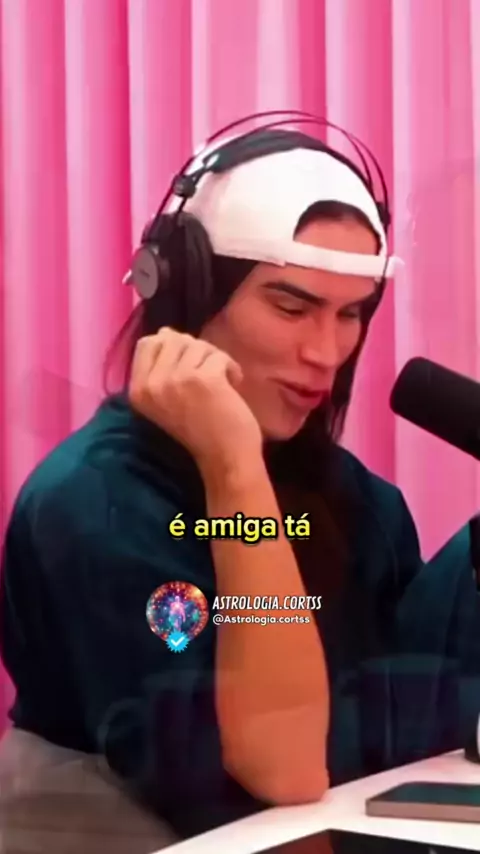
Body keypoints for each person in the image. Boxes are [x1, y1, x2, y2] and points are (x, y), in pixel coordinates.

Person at [1, 116, 479, 841]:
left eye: (351, 314)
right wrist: (234, 470)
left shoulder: (364, 503)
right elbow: (281, 770)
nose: (327, 351)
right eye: (291, 306)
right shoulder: (93, 507)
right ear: (189, 292)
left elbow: (407, 715)